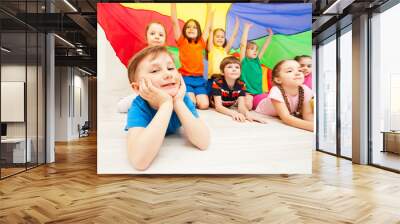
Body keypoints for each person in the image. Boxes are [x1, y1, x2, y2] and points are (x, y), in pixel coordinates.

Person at [125, 46, 210, 171]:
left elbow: (203, 142)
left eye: (171, 68)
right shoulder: (139, 107)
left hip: (179, 100)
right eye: (154, 71)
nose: (168, 74)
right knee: (124, 105)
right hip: (139, 101)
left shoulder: (182, 98)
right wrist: (165, 104)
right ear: (137, 88)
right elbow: (139, 161)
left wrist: (178, 102)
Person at [117, 22, 168, 113]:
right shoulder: (143, 56)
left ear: (165, 39)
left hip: (163, 91)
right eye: (152, 34)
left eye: (161, 35)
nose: (157, 37)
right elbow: (137, 72)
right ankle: (126, 99)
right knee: (121, 107)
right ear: (146, 37)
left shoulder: (167, 56)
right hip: (146, 91)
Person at [171, 3, 213, 109]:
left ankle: (195, 97)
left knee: (204, 105)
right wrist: (173, 4)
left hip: (199, 80)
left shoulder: (201, 42)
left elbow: (207, 26)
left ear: (198, 31)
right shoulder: (182, 41)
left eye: (194, 27)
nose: (191, 29)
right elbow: (174, 22)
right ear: (184, 30)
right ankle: (189, 97)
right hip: (186, 78)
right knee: (191, 104)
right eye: (188, 27)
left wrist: (209, 7)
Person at [255, 59, 314, 132]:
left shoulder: (306, 90)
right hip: (259, 101)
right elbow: (286, 118)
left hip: (270, 98)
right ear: (278, 79)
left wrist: (318, 125)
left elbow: (307, 114)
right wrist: (312, 127)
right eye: (290, 71)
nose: (297, 73)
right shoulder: (276, 91)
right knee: (254, 98)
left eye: (300, 70)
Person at [211, 56, 267, 123]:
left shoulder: (241, 84)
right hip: (216, 102)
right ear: (222, 72)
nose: (234, 69)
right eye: (229, 67)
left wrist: (248, 114)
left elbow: (241, 106)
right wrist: (234, 113)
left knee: (246, 104)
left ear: (240, 72)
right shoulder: (217, 83)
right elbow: (218, 107)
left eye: (237, 67)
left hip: (229, 102)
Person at [240, 23, 273, 110]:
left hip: (258, 92)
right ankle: (239, 100)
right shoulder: (244, 60)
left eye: (256, 50)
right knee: (248, 106)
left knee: (268, 104)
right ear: (246, 51)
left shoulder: (257, 60)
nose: (255, 51)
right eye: (251, 49)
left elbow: (264, 47)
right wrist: (246, 29)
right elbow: (243, 44)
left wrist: (270, 35)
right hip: (248, 92)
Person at [206, 16, 239, 92]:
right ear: (213, 38)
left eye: (222, 37)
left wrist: (237, 24)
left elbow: (233, 37)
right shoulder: (211, 48)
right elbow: (211, 30)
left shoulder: (225, 50)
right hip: (213, 78)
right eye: (217, 36)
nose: (220, 38)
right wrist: (211, 16)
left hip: (224, 79)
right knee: (212, 96)